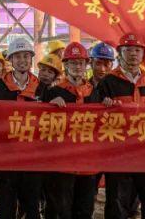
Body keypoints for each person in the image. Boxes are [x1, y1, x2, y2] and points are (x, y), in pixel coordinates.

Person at [95, 33, 145, 219]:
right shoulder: (107, 83)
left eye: (137, 50)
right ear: (119, 53)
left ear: (143, 54)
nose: (133, 54)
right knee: (117, 203)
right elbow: (94, 116)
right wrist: (104, 106)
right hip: (118, 153)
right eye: (128, 50)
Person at [39, 41, 97, 219]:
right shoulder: (52, 93)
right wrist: (48, 106)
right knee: (59, 209)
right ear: (65, 66)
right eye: (73, 63)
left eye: (81, 63)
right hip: (61, 163)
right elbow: (40, 125)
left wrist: (111, 105)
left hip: (88, 164)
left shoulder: (95, 93)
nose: (77, 67)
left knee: (85, 209)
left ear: (86, 65)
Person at [0, 37, 43, 219]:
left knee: (32, 209)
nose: (22, 60)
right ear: (10, 60)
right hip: (6, 159)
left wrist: (55, 103)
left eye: (26, 56)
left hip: (32, 159)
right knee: (5, 208)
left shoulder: (42, 88)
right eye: (18, 56)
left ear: (31, 59)